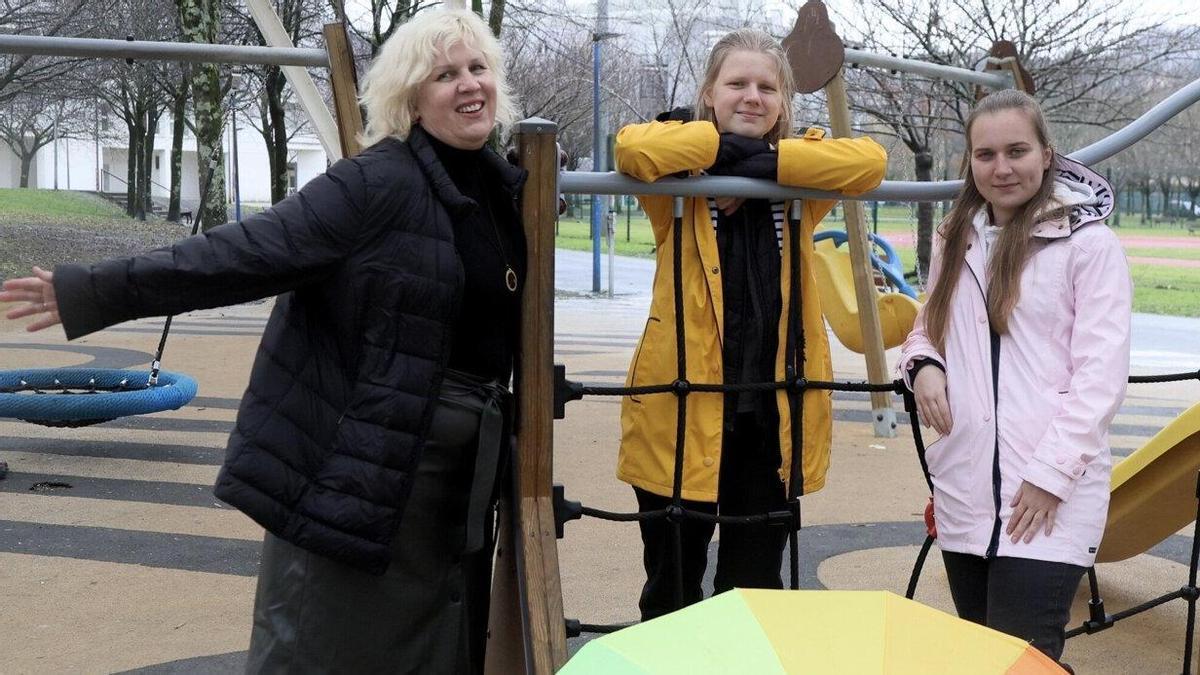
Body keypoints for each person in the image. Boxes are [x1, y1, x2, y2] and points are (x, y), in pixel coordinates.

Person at [0, 9, 522, 673]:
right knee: (323, 649)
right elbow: (244, 253)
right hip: (365, 473)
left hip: (452, 488)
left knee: (435, 653)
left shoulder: (502, 190)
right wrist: (93, 290)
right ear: (412, 96)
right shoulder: (376, 184)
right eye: (445, 74)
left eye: (478, 68)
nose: (468, 85)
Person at [612, 28, 887, 621]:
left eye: (768, 87)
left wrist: (767, 162)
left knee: (753, 592)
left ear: (784, 103)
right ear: (709, 93)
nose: (752, 97)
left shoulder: (795, 185)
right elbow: (632, 149)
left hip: (771, 420)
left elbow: (870, 162)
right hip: (680, 415)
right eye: (737, 83)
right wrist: (718, 153)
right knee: (671, 589)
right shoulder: (680, 184)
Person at [898, 89, 1131, 667]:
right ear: (970, 162)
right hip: (965, 487)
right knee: (981, 655)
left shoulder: (1089, 245)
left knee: (1025, 658)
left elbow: (1100, 376)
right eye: (985, 155)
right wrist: (924, 364)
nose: (1001, 169)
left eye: (1017, 151)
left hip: (1046, 492)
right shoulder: (957, 238)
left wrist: (1052, 474)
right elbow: (928, 326)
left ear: (1047, 155)